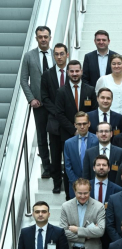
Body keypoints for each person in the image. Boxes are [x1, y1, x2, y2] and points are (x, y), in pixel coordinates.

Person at [20, 26, 54, 178]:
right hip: (39, 104)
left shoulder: (56, 54)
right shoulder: (29, 56)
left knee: (55, 135)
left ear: (50, 37)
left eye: (46, 36)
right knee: (41, 135)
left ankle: (56, 166)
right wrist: (31, 99)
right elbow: (23, 80)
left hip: (55, 103)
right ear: (36, 38)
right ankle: (46, 167)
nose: (43, 39)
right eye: (40, 37)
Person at [40, 42, 69, 193]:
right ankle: (57, 183)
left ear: (67, 55)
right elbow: (44, 98)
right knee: (56, 155)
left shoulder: (73, 72)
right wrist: (58, 112)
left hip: (70, 121)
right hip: (54, 121)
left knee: (69, 155)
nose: (59, 57)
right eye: (56, 54)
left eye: (61, 54)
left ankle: (70, 184)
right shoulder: (47, 74)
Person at [55, 60, 97, 147]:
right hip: (68, 134)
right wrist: (74, 130)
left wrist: (84, 128)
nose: (74, 74)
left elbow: (94, 111)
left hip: (88, 134)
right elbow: (59, 114)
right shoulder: (61, 92)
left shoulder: (90, 90)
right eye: (72, 71)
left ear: (81, 71)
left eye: (77, 71)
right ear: (67, 72)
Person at [63, 112, 98, 198]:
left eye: (84, 123)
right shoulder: (68, 143)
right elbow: (68, 166)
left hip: (93, 184)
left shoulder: (97, 140)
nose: (82, 127)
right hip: (74, 186)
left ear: (89, 124)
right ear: (75, 125)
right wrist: (76, 183)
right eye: (79, 124)